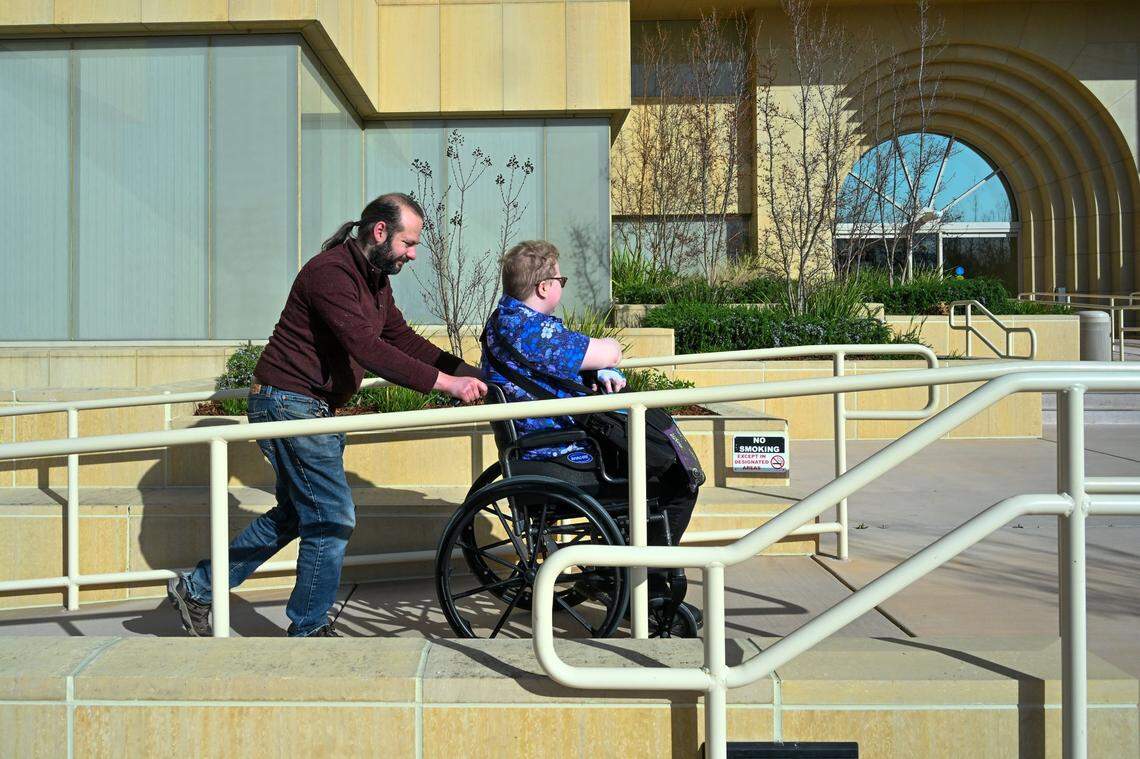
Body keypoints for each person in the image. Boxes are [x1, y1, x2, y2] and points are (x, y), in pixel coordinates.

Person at [168, 192, 487, 637]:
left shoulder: (374, 281)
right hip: (288, 403)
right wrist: (445, 384)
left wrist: (469, 373)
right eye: (409, 243)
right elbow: (367, 348)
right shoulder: (330, 273)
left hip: (310, 407)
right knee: (332, 517)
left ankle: (198, 589)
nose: (413, 255)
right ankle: (309, 629)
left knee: (297, 515)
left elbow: (402, 339)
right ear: (380, 231)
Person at [480, 240, 697, 578]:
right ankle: (646, 586)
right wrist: (609, 352)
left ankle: (620, 569)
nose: (561, 286)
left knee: (655, 461)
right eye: (561, 281)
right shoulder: (534, 331)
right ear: (544, 287)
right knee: (677, 478)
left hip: (537, 446)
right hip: (561, 452)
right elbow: (610, 352)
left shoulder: (501, 322)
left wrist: (599, 369)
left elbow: (558, 366)